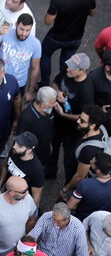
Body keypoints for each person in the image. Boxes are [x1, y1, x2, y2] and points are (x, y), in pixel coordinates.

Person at [49, 53, 92, 184]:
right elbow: (55, 83)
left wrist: (63, 114)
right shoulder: (67, 72)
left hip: (73, 132)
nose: (67, 69)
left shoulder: (87, 90)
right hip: (56, 123)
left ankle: (68, 186)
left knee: (69, 160)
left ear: (82, 71)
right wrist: (58, 92)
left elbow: (83, 117)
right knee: (51, 150)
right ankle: (50, 173)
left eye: (72, 68)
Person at [0, 14, 40, 103]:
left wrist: (30, 91)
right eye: (21, 29)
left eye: (27, 30)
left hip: (18, 83)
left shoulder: (36, 44)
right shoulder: (6, 34)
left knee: (15, 107)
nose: (24, 34)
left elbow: (35, 68)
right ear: (16, 24)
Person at [40, 0, 95, 88]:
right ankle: (61, 84)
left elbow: (48, 21)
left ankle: (44, 84)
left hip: (56, 37)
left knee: (45, 54)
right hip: (75, 38)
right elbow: (92, 13)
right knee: (66, 63)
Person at [0, 175, 36, 256]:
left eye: (27, 189)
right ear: (12, 193)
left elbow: (31, 220)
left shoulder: (28, 199)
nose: (27, 193)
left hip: (18, 253)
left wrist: (27, 240)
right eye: (23, 191)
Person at [62, 105, 108, 197]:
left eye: (82, 121)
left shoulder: (89, 150)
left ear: (93, 125)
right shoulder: (101, 128)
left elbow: (79, 176)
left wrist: (65, 190)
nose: (78, 121)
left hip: (75, 182)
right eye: (79, 118)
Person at [15, 87, 57, 170]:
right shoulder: (26, 119)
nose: (55, 104)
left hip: (44, 153)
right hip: (32, 160)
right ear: (42, 105)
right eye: (52, 103)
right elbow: (21, 142)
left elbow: (48, 131)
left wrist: (49, 144)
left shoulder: (48, 111)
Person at [0, 132, 44, 205]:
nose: (14, 146)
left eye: (20, 146)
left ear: (29, 150)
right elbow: (5, 168)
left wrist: (29, 214)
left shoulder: (37, 170)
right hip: (7, 194)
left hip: (21, 203)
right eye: (16, 142)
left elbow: (36, 198)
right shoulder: (14, 152)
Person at [68, 154, 111, 224]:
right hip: (105, 222)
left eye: (93, 162)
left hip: (83, 220)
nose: (90, 161)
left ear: (98, 171)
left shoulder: (85, 184)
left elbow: (70, 206)